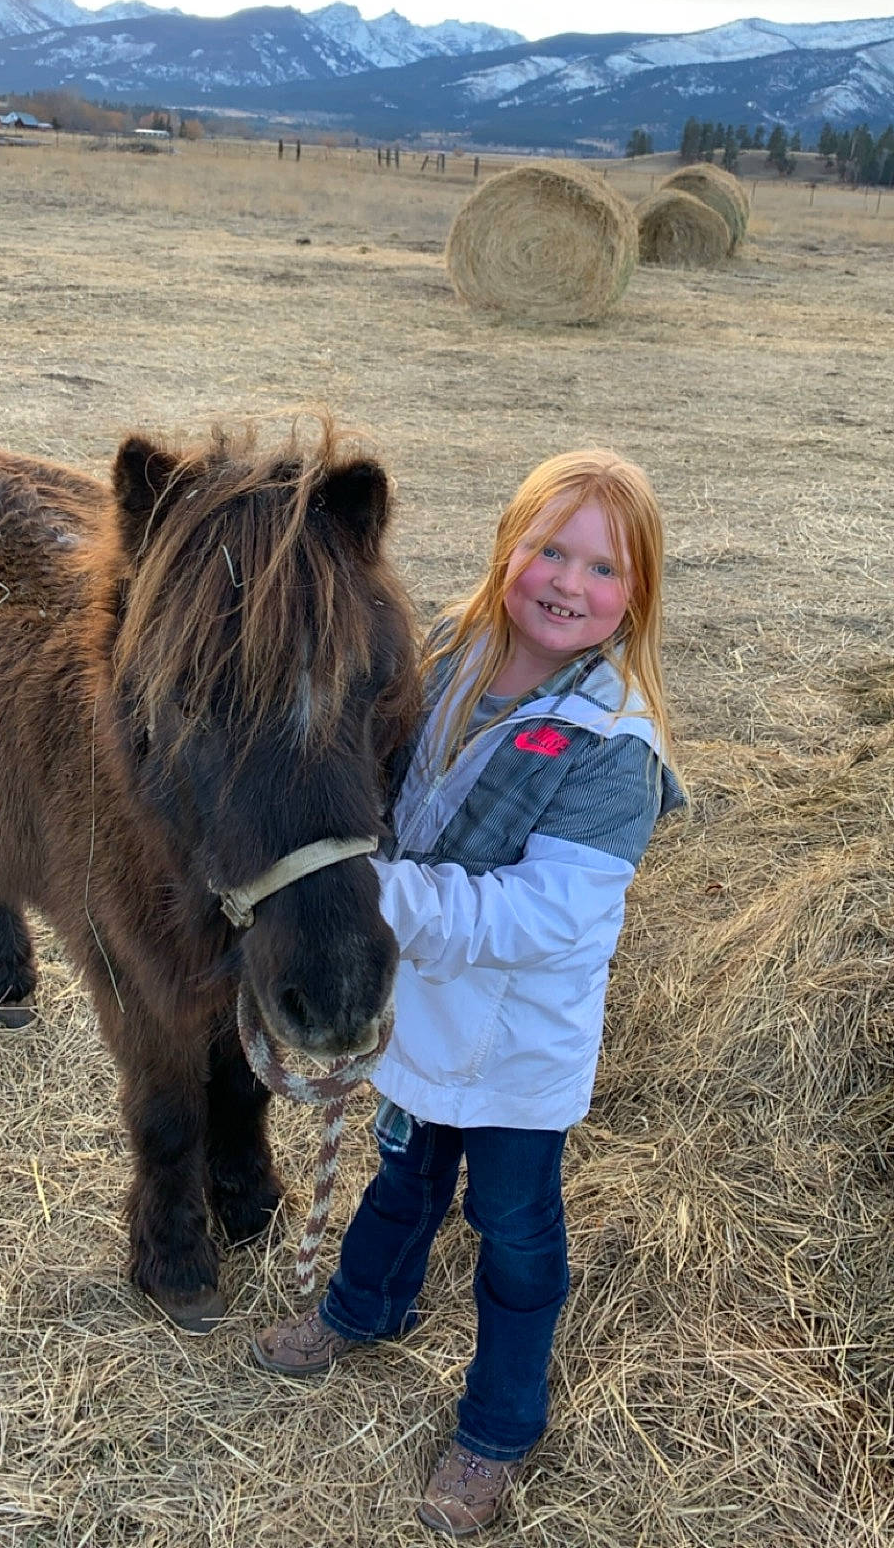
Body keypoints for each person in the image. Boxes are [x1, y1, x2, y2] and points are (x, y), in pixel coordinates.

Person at [253, 448, 683, 1537]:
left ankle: (498, 1426)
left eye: (602, 568)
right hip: (421, 1014)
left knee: (515, 1229)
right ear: (509, 545)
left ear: (636, 596)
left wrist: (370, 895)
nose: (567, 582)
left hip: (515, 1044)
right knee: (401, 1180)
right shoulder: (443, 651)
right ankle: (361, 1309)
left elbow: (552, 920)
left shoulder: (610, 743)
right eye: (549, 548)